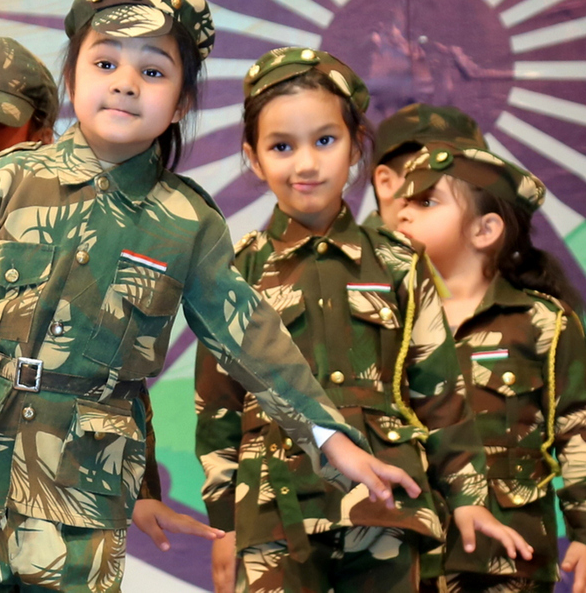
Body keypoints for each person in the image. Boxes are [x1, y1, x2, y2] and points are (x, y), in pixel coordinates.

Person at [0, 0, 421, 593]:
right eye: (105, 63)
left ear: (181, 103)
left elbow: (253, 339)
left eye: (153, 71)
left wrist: (330, 438)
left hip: (81, 490)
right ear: (72, 77)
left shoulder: (186, 222)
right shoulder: (7, 178)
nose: (125, 84)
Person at [196, 47, 532, 593]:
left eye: (325, 141)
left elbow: (440, 393)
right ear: (253, 159)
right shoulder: (235, 272)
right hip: (274, 508)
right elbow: (218, 406)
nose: (306, 164)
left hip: (386, 504)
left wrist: (468, 499)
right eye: (281, 146)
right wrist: (224, 523)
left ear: (356, 146)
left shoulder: (400, 263)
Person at [396, 143, 586, 593]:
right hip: (407, 556)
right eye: (404, 201)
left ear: (485, 229)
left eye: (426, 202)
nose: (403, 212)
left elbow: (577, 427)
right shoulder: (393, 323)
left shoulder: (542, 321)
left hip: (509, 558)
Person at [366, 103, 488, 230]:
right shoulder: (356, 243)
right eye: (431, 177)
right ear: (385, 182)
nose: (458, 195)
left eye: (472, 183)